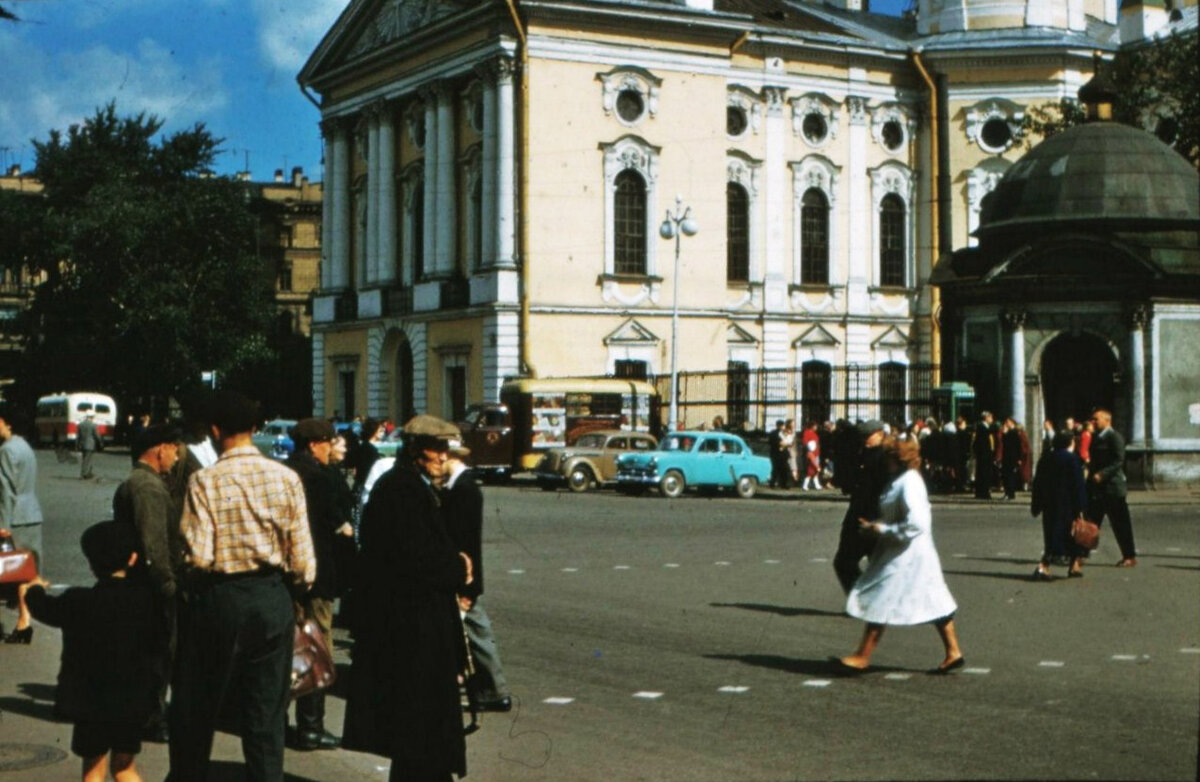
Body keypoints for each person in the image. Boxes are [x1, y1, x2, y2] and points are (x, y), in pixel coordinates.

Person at [168, 390, 315, 782]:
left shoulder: (204, 481)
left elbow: (197, 555)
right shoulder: (286, 478)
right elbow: (303, 562)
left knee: (198, 707)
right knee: (266, 713)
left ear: (216, 430)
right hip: (271, 597)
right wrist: (289, 592)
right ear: (254, 428)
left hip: (221, 599)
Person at [343, 414, 474, 782]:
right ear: (416, 450)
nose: (442, 457)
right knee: (420, 728)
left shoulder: (405, 486)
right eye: (436, 448)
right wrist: (457, 567)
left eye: (445, 449)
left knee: (417, 736)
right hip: (411, 631)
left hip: (410, 626)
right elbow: (419, 560)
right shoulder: (402, 490)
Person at [19, 521, 161, 782]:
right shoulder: (145, 601)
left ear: (91, 563)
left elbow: (44, 609)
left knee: (93, 769)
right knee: (124, 767)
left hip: (91, 703)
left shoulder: (79, 601)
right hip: (133, 701)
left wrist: (34, 588)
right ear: (132, 558)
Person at [834, 437, 964, 674]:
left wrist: (882, 529)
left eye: (889, 456)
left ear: (898, 458)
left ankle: (862, 656)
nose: (885, 460)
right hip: (906, 553)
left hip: (906, 555)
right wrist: (876, 526)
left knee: (880, 599)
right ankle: (953, 651)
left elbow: (916, 523)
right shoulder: (901, 480)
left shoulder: (909, 483)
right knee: (934, 600)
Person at [285, 418, 353, 751]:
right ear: (315, 444)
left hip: (284, 576)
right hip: (318, 577)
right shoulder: (322, 478)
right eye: (329, 442)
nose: (331, 448)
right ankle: (311, 727)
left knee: (285, 649)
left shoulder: (284, 472)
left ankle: (277, 723)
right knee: (316, 649)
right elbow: (338, 526)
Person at [112, 424, 183, 742]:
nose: (177, 457)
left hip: (138, 585)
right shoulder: (148, 488)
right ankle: (151, 720)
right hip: (151, 589)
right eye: (175, 449)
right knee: (157, 654)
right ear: (160, 449)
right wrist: (168, 587)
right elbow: (154, 547)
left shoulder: (139, 482)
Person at [442, 438, 512, 713]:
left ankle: (495, 691)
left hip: (464, 579)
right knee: (473, 634)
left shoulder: (464, 489)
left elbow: (466, 543)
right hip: (462, 577)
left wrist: (468, 586)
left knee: (478, 634)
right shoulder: (457, 486)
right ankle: (483, 687)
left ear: (450, 457)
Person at [0, 404, 44, 643]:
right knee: (25, 572)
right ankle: (24, 621)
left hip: (14, 516)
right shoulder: (25, 447)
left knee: (14, 572)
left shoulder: (6, 450)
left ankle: (24, 621)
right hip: (31, 513)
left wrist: (3, 523)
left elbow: (6, 490)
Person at [832, 420, 888, 594]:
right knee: (845, 562)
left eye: (868, 436)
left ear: (880, 433)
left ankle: (869, 601)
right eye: (863, 436)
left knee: (871, 564)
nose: (865, 439)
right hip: (858, 516)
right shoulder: (861, 453)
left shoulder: (885, 458)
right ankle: (864, 599)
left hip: (874, 518)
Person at [1030, 431, 1088, 579]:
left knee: (1051, 536)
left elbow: (1038, 484)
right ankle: (1044, 567)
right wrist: (1081, 507)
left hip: (1050, 505)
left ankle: (1068, 566)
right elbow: (1078, 485)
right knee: (1073, 536)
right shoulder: (1072, 459)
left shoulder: (1046, 458)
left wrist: (1036, 505)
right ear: (1070, 443)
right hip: (1068, 505)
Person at [1086, 408, 1137, 567]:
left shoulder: (1114, 437)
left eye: (1096, 419)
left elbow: (1118, 460)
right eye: (1093, 419)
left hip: (1113, 488)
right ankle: (1080, 555)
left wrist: (1103, 474)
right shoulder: (1096, 438)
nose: (1093, 422)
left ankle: (1129, 556)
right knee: (1091, 524)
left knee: (1121, 524)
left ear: (1107, 421)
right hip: (1097, 488)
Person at [972, 411, 997, 499]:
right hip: (984, 455)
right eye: (990, 417)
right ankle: (983, 492)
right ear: (986, 418)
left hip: (985, 455)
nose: (992, 419)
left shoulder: (985, 427)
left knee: (984, 473)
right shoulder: (982, 428)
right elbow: (981, 442)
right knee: (983, 473)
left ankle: (982, 492)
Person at [77, 412, 105, 480]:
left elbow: (79, 436)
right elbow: (96, 435)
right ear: (92, 417)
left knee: (85, 459)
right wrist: (100, 442)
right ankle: (84, 474)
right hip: (90, 444)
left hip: (83, 444)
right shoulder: (93, 425)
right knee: (88, 459)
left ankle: (88, 473)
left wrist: (78, 444)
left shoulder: (81, 424)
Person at [801, 422, 822, 490]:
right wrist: (809, 451)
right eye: (815, 426)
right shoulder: (807, 433)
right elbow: (805, 442)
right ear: (812, 426)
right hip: (811, 453)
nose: (816, 428)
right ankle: (805, 484)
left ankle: (816, 484)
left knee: (816, 470)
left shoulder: (814, 433)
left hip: (816, 453)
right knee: (811, 469)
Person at [767, 420, 788, 489]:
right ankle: (782, 484)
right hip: (778, 453)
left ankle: (774, 483)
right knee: (781, 469)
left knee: (776, 469)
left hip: (775, 453)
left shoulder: (773, 433)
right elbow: (780, 442)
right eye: (782, 426)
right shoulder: (777, 433)